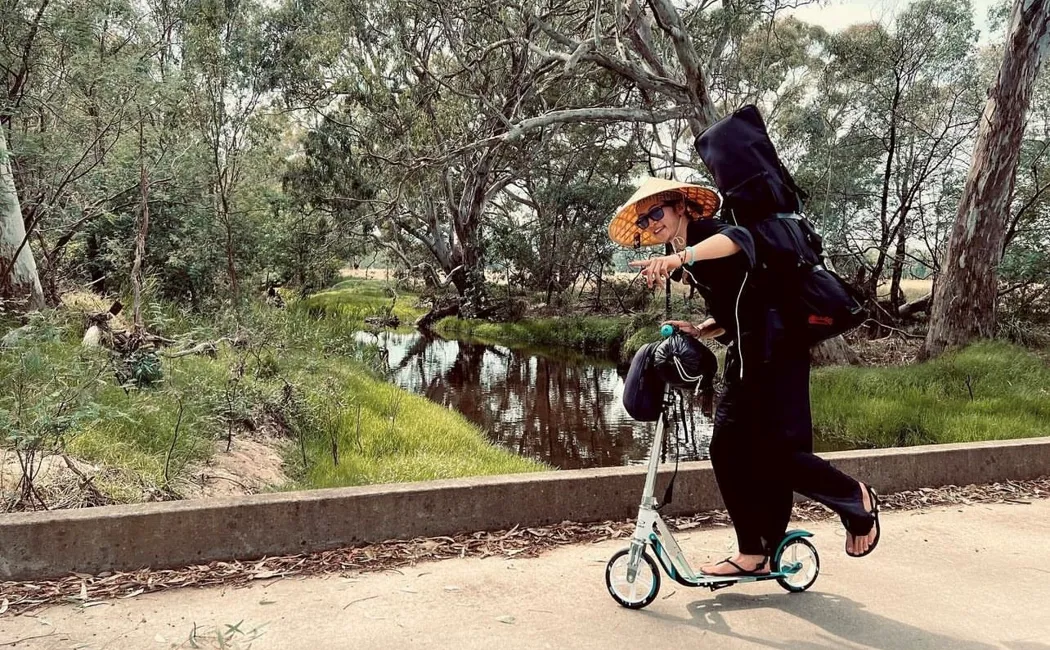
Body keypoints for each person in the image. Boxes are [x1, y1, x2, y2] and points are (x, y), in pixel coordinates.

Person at [607, 177, 880, 576]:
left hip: (777, 350)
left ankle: (853, 497)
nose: (652, 223)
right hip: (748, 354)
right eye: (644, 221)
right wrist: (702, 329)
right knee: (729, 449)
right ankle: (754, 552)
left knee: (769, 452)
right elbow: (739, 306)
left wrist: (682, 258)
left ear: (681, 206)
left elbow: (741, 239)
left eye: (656, 212)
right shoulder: (687, 253)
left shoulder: (709, 233)